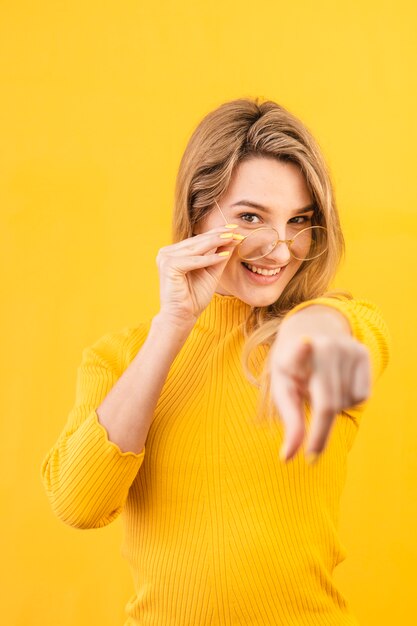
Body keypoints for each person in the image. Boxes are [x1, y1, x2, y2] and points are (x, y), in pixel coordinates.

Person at [41, 97, 390, 625]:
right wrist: (173, 325)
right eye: (251, 216)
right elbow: (80, 505)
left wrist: (309, 326)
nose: (280, 248)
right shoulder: (117, 358)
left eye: (300, 220)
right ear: (197, 212)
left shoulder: (340, 325)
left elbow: (349, 334)